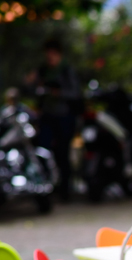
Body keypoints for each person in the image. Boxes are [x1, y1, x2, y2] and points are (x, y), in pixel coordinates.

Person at [26, 38, 80, 201]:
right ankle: (46, 188)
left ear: (58, 54)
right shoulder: (43, 70)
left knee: (62, 154)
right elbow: (30, 88)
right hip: (47, 117)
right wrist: (31, 81)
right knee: (43, 150)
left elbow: (76, 93)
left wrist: (58, 93)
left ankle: (65, 190)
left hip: (64, 117)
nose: (50, 58)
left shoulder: (66, 70)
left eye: (52, 55)